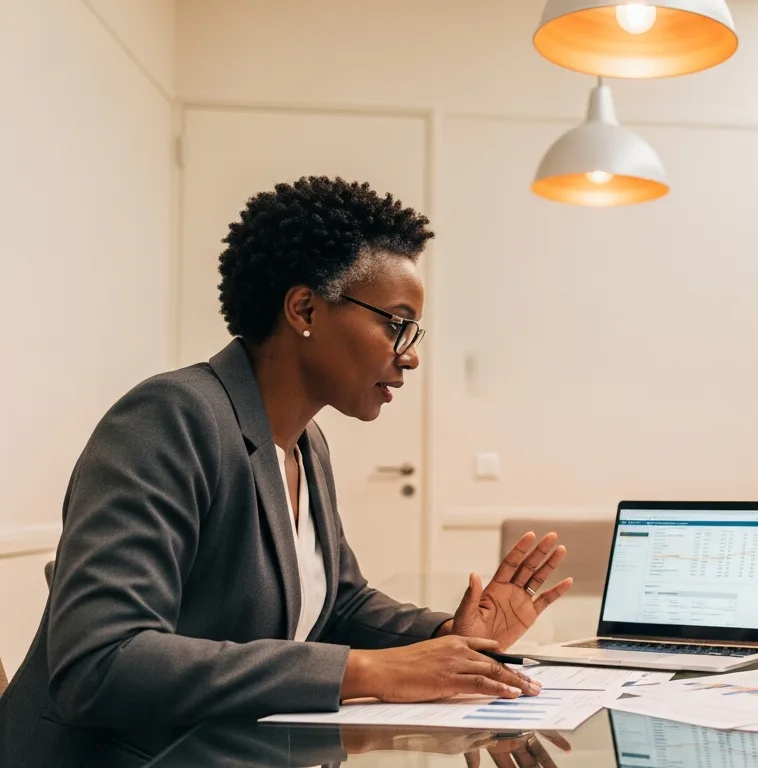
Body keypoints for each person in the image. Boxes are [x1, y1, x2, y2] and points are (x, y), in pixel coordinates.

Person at [0, 177, 574, 761]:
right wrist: (371, 671)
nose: (411, 354)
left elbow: (340, 604)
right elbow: (102, 662)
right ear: (304, 309)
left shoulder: (306, 443)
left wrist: (450, 639)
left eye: (414, 331)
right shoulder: (171, 418)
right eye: (395, 323)